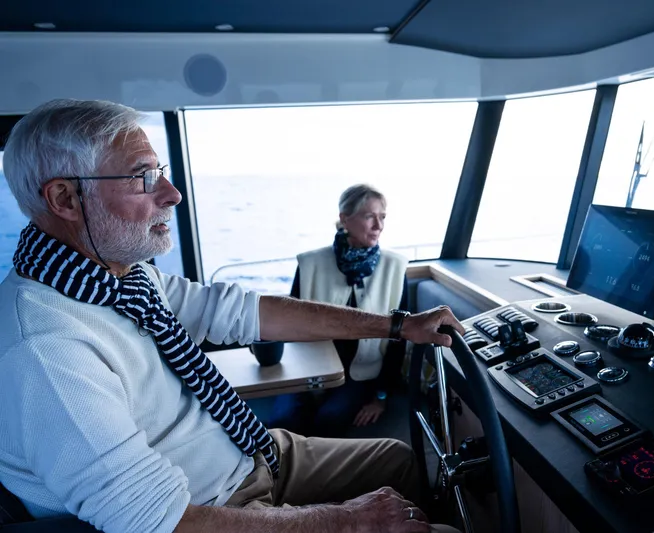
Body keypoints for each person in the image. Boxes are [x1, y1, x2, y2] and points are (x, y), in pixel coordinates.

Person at [0, 99, 465, 533]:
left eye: (160, 171)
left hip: (247, 449)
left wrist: (400, 326)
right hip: (209, 505)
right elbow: (157, 519)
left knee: (400, 459)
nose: (172, 193)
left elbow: (244, 312)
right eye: (143, 177)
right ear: (65, 199)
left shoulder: (124, 280)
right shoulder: (44, 347)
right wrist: (348, 520)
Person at [260, 184, 408, 437]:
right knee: (282, 423)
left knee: (329, 420)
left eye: (382, 217)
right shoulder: (310, 263)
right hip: (308, 370)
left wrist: (380, 397)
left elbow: (399, 341)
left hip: (360, 375)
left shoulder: (395, 267)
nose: (378, 225)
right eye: (369, 216)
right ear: (344, 219)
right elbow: (290, 324)